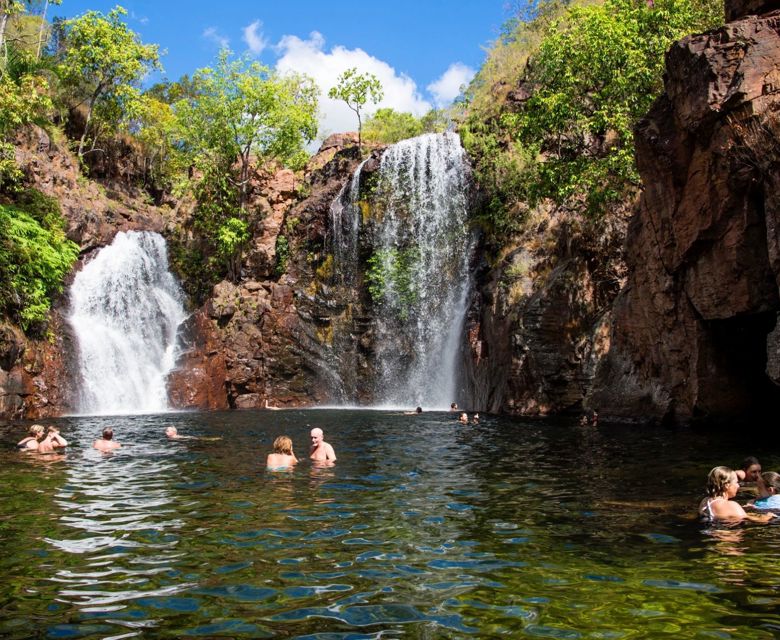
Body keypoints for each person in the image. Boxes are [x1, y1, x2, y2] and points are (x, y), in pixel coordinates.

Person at [698, 466, 775, 523]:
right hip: (728, 539)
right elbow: (760, 521)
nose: (738, 485)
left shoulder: (705, 501)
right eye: (736, 482)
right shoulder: (732, 505)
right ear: (726, 485)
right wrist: (768, 516)